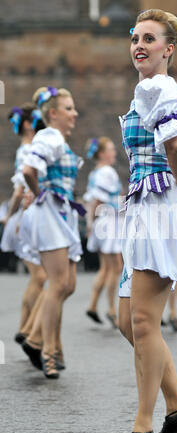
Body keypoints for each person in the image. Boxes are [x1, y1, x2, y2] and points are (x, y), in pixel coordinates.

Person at [117, 9, 177, 433]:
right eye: (135, 37)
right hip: (143, 208)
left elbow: (175, 144)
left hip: (160, 212)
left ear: (168, 48)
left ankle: (142, 425)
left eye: (149, 39)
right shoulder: (145, 89)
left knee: (144, 322)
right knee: (127, 321)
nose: (139, 45)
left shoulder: (160, 86)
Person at [20, 86, 84, 379]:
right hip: (51, 215)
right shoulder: (50, 135)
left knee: (67, 284)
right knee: (58, 284)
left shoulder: (58, 139)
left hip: (62, 214)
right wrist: (40, 195)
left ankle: (37, 339)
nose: (75, 114)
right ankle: (44, 349)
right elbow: (29, 170)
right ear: (53, 113)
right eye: (69, 109)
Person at [1, 104, 47, 343]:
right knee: (40, 277)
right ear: (29, 124)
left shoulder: (26, 148)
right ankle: (27, 329)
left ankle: (25, 327)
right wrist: (12, 216)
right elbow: (20, 190)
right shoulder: (28, 149)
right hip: (28, 215)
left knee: (38, 277)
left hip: (28, 214)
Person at [85, 137, 123, 328]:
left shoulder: (96, 173)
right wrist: (92, 223)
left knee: (106, 268)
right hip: (108, 222)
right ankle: (111, 309)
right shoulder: (106, 172)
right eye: (111, 149)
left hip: (103, 221)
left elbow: (93, 201)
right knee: (115, 267)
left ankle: (93, 305)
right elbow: (98, 200)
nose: (114, 153)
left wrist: (91, 224)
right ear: (101, 154)